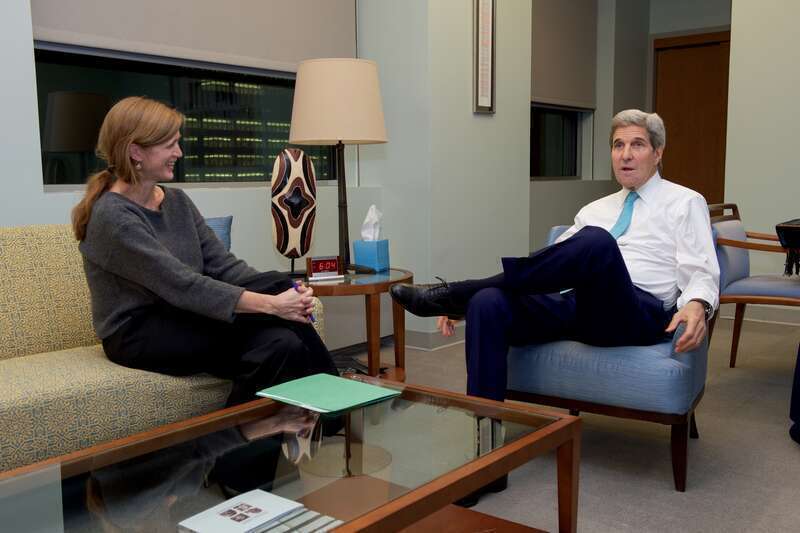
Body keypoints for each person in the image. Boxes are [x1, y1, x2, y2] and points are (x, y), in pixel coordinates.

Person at [391, 109, 719, 504]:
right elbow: (549, 266)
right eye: (618, 145)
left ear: (658, 152)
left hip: (635, 311)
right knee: (489, 302)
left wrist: (698, 304)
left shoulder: (685, 202)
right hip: (577, 306)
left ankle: (453, 292)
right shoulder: (594, 209)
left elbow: (701, 268)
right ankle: (487, 462)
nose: (626, 155)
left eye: (637, 144)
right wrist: (478, 300)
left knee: (597, 243)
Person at [72, 96, 337, 407]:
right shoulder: (113, 217)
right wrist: (273, 305)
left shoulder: (177, 202)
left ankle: (223, 447)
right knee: (277, 315)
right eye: (169, 145)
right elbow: (181, 284)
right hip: (139, 332)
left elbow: (223, 266)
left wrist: (286, 291)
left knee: (281, 343)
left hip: (183, 313)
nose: (179, 153)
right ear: (135, 151)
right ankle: (335, 402)